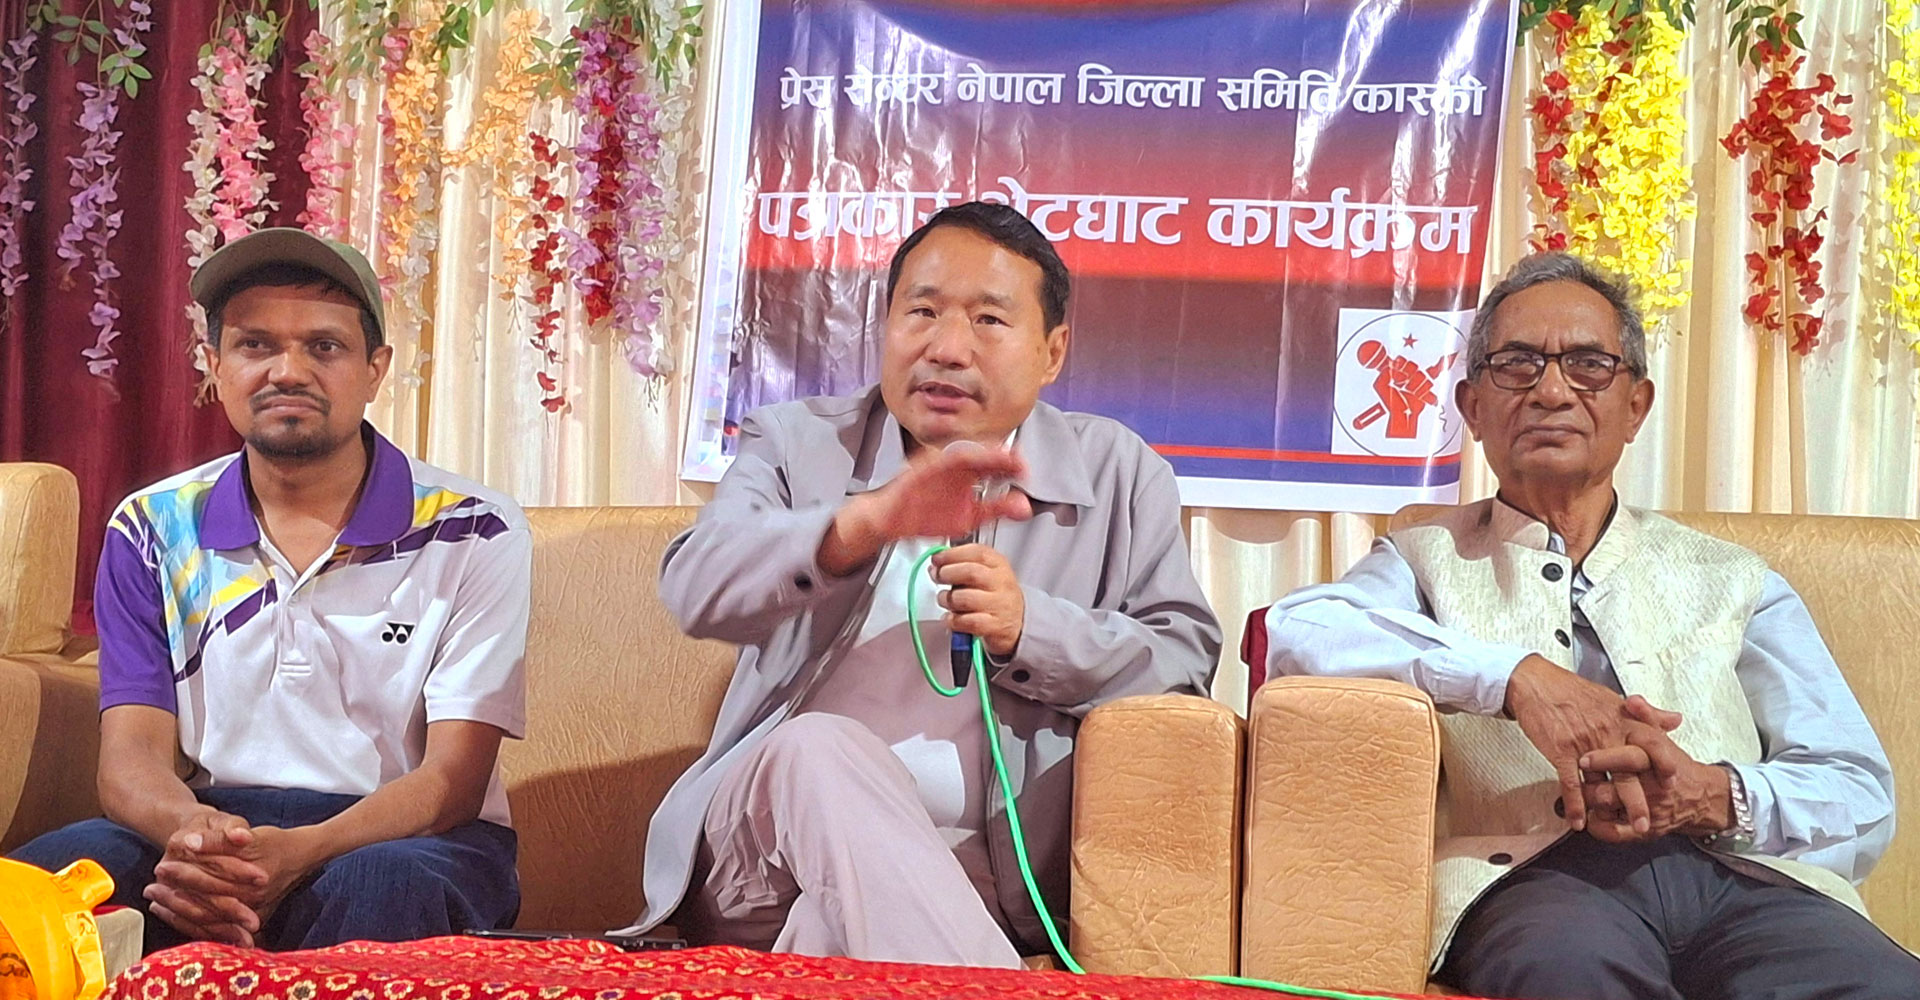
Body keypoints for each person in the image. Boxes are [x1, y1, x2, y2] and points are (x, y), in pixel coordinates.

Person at [1265, 252, 1916, 999]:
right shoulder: (1423, 558)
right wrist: (1513, 679)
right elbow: (1298, 633)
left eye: (1587, 365)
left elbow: (1858, 788)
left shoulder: (1735, 578)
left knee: (1881, 985)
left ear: (1635, 406)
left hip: (1746, 882)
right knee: (1571, 973)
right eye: (1516, 364)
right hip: (1540, 880)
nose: (1550, 391)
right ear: (1472, 407)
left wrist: (1712, 794)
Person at [630, 201, 1221, 967]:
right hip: (765, 858)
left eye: (988, 320)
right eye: (923, 312)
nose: (947, 348)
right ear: (886, 326)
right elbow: (694, 587)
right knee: (817, 748)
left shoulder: (1117, 473)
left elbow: (1184, 668)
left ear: (1052, 351)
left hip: (986, 885)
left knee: (830, 937)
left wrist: (1030, 631)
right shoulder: (797, 442)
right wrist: (859, 527)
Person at [10, 229, 530, 953]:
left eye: (324, 347)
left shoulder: (474, 527)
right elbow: (130, 760)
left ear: (375, 369)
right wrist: (198, 840)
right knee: (38, 888)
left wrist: (299, 853)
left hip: (408, 835)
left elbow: (452, 780)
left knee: (380, 886)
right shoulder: (152, 527)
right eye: (255, 345)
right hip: (211, 823)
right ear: (215, 365)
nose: (288, 372)